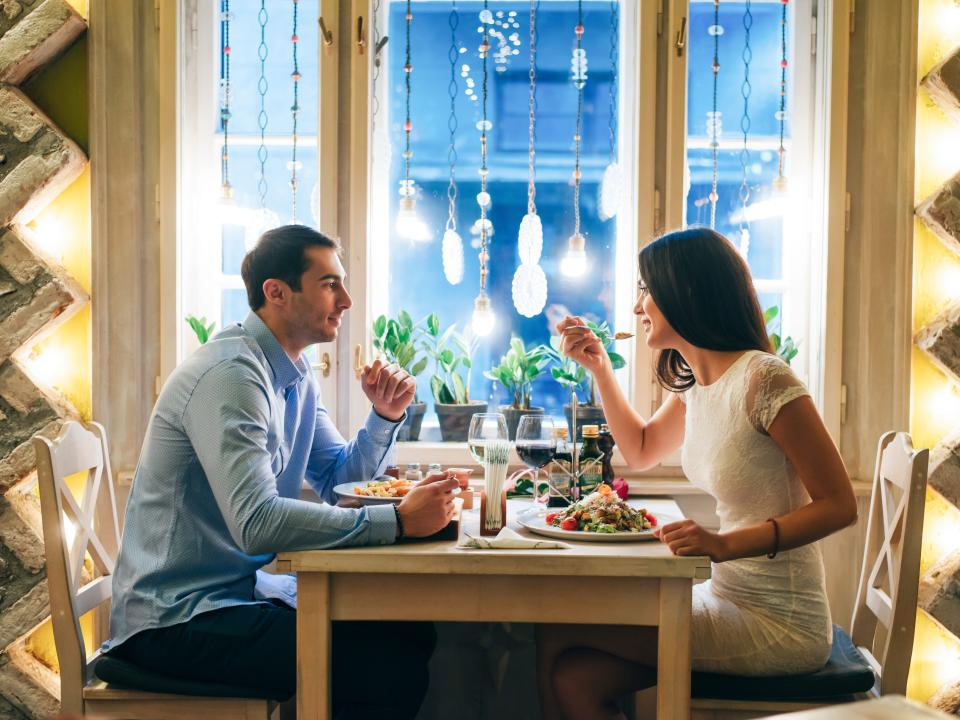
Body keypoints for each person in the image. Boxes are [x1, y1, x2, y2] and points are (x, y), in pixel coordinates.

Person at [103, 225, 457, 718]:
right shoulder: (232, 376)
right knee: (383, 662)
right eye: (330, 283)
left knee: (407, 629)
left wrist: (384, 417)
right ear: (277, 292)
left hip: (233, 598)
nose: (347, 300)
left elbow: (338, 480)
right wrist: (396, 521)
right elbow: (256, 524)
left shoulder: (293, 372)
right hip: (174, 620)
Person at [537, 227, 858, 720]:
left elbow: (840, 504)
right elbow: (641, 450)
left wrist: (725, 544)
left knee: (556, 624)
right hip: (722, 595)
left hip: (780, 622)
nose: (638, 306)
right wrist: (601, 370)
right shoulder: (698, 384)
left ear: (685, 293)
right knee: (574, 678)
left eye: (647, 290)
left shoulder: (764, 378)